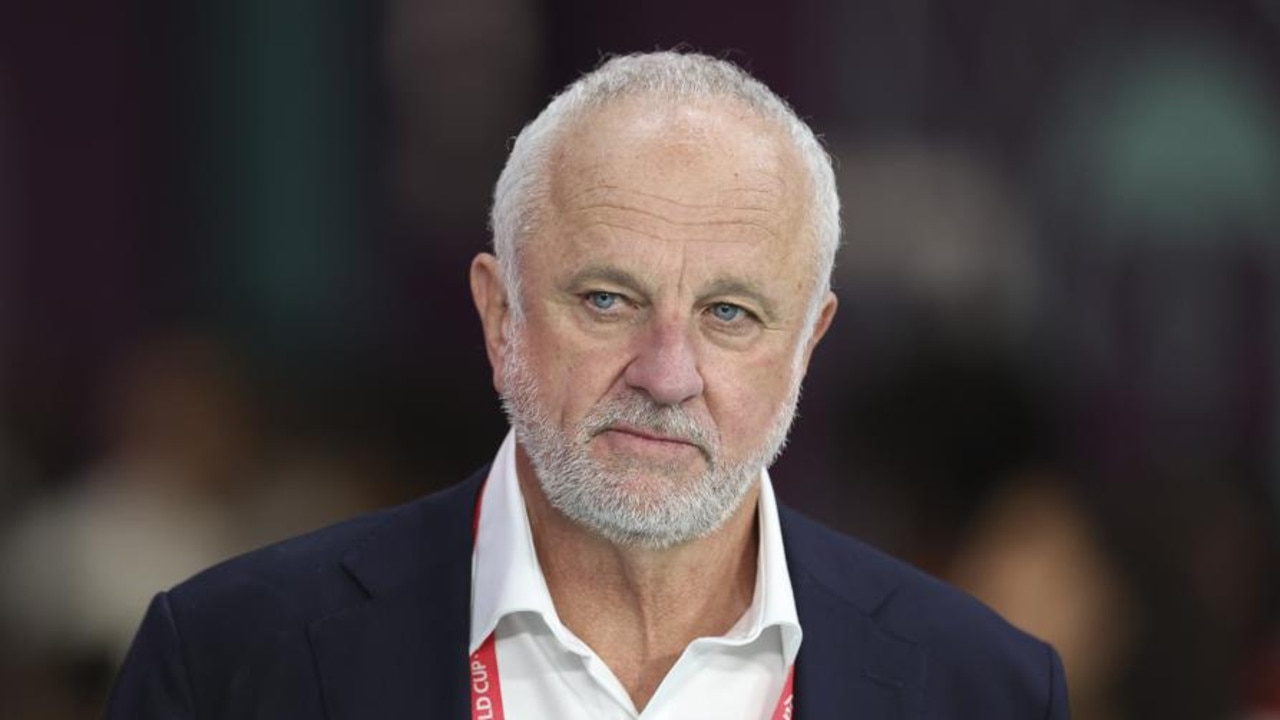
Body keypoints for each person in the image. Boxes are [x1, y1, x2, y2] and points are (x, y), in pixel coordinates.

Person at [105, 51, 1069, 719]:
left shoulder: (985, 692)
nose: (666, 374)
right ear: (499, 317)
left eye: (730, 315)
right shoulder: (231, 660)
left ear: (807, 344)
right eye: (608, 299)